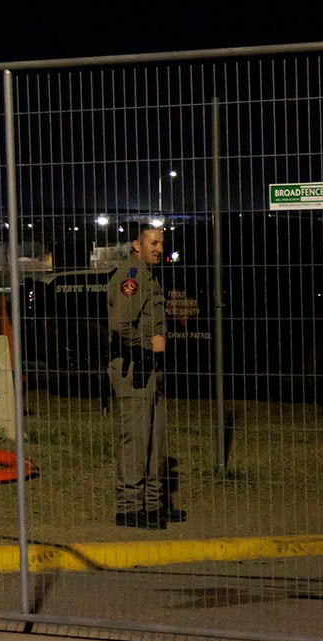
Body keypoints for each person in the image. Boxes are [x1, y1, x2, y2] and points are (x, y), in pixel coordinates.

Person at [107, 223, 185, 529]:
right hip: (132, 369)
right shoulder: (132, 277)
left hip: (151, 369)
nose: (158, 248)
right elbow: (121, 325)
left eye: (161, 243)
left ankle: (153, 505)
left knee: (156, 439)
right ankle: (128, 508)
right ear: (136, 245)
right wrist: (146, 345)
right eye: (152, 243)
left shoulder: (150, 277)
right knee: (136, 441)